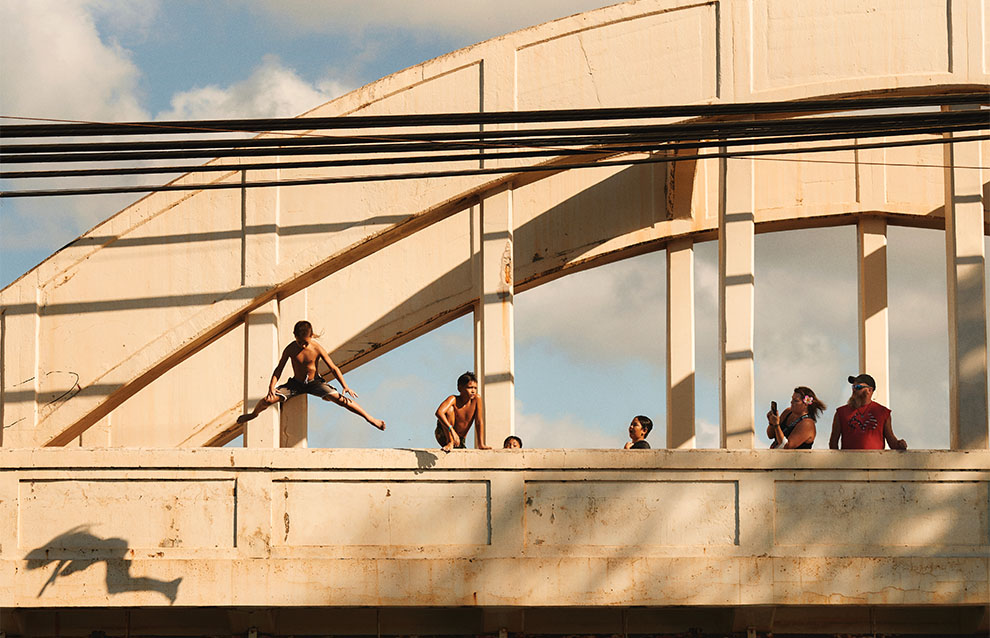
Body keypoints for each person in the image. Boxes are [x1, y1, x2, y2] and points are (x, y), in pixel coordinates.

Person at [237, 320, 385, 431]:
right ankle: (254, 414)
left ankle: (370, 418)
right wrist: (271, 386)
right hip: (295, 384)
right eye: (299, 342)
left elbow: (333, 368)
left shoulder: (316, 348)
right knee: (267, 400)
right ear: (294, 336)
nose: (302, 345)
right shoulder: (290, 349)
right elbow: (279, 368)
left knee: (340, 399)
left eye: (305, 342)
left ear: (312, 336)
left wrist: (345, 386)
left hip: (315, 383)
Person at [829, 373, 907, 450]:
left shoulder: (883, 412)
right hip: (850, 461)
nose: (854, 390)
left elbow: (891, 441)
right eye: (853, 386)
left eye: (858, 387)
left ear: (869, 390)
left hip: (875, 461)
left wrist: (899, 445)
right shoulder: (841, 412)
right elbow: (833, 442)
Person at [434, 371, 490, 452]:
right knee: (449, 409)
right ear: (460, 388)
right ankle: (449, 442)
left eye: (475, 388)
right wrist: (451, 430)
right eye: (470, 388)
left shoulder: (476, 399)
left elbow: (478, 421)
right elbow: (439, 412)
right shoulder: (453, 399)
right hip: (444, 434)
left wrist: (481, 443)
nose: (473, 391)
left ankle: (457, 442)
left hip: (460, 439)